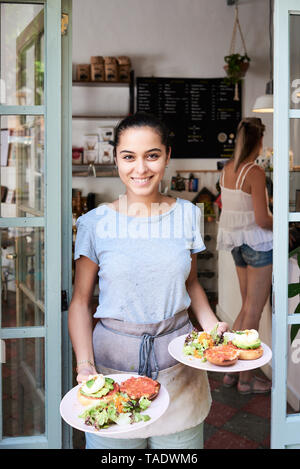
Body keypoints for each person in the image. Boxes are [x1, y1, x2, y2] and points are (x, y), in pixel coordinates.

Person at [68, 112, 228, 449]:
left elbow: (192, 283)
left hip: (179, 364)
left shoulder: (188, 214)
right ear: (116, 159)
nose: (140, 168)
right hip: (113, 369)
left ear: (167, 156)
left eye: (152, 155)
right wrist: (85, 365)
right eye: (129, 157)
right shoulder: (94, 223)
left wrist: (212, 326)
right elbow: (81, 301)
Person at [216, 117, 273, 395]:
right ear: (258, 141)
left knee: (245, 307)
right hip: (258, 246)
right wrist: (283, 220)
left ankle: (230, 369)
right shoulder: (255, 172)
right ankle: (247, 379)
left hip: (237, 245)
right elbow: (263, 220)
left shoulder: (227, 169)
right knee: (254, 310)